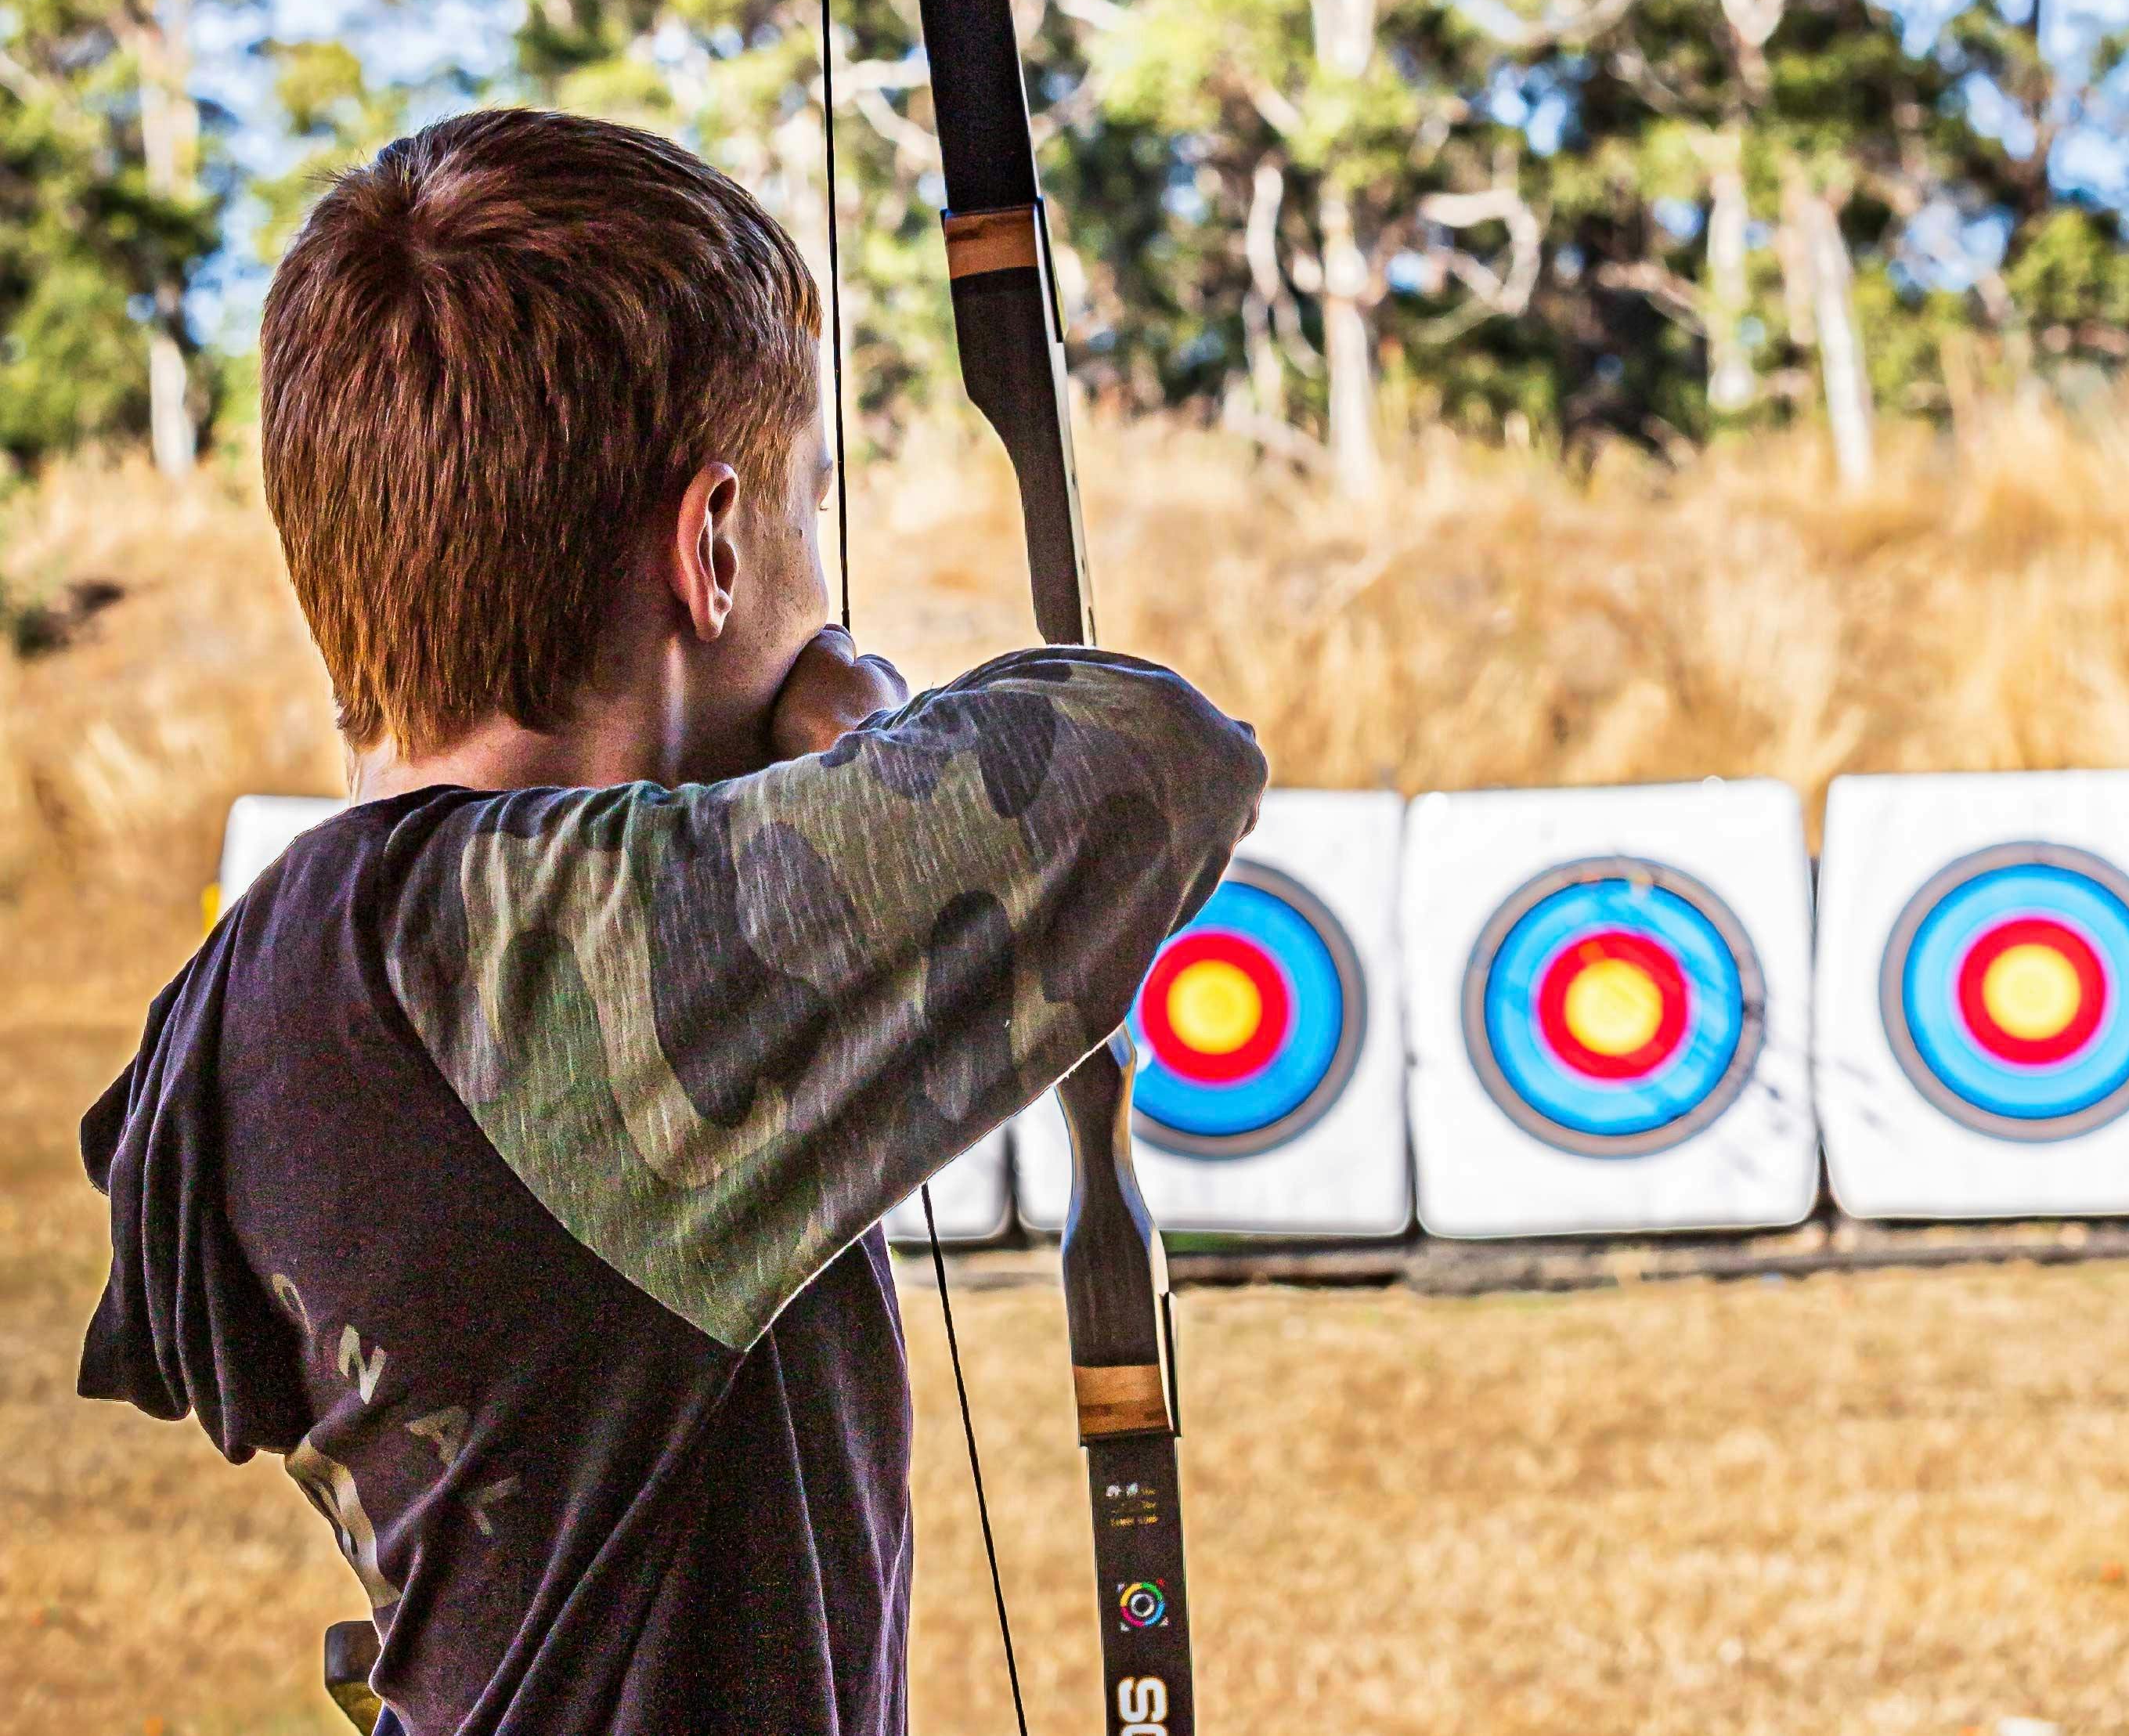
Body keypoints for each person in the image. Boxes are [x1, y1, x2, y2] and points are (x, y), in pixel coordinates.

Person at [76, 109, 1266, 1734]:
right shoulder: (533, 955)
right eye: (802, 516)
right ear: (709, 546)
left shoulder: (281, 964)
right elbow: (1153, 760)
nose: (813, 578)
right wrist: (862, 720)